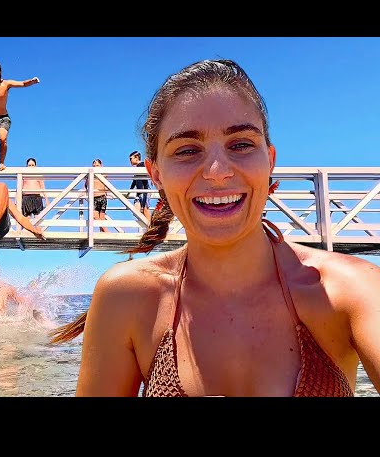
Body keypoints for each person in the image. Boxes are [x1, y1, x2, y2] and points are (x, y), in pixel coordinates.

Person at [49, 59, 380, 397]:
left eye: (240, 145)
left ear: (270, 160)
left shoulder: (352, 291)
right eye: (187, 150)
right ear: (156, 174)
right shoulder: (127, 298)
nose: (218, 171)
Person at [84, 158, 109, 232]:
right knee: (95, 216)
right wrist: (85, 193)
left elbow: (107, 185)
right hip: (94, 198)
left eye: (97, 165)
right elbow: (85, 185)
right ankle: (107, 232)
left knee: (102, 217)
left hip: (103, 197)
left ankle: (103, 233)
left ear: (101, 165)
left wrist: (108, 193)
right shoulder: (90, 175)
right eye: (94, 166)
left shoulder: (104, 174)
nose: (95, 167)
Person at [128, 150, 152, 221]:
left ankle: (152, 227)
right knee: (137, 211)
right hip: (139, 192)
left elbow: (149, 171)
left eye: (131, 159)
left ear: (136, 158)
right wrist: (129, 191)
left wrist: (152, 178)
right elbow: (134, 181)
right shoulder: (138, 168)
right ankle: (147, 226)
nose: (130, 161)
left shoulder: (142, 165)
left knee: (144, 209)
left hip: (144, 190)